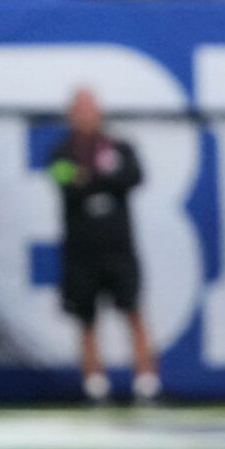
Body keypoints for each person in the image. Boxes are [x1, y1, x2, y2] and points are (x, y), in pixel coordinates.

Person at [49, 88, 160, 404]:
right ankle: (95, 383)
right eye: (79, 108)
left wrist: (93, 177)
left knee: (132, 310)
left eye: (90, 108)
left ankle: (146, 381)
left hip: (118, 246)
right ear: (70, 114)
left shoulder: (118, 146)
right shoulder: (61, 151)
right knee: (86, 317)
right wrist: (94, 178)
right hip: (82, 250)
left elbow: (133, 176)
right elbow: (63, 179)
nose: (85, 114)